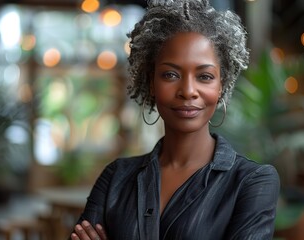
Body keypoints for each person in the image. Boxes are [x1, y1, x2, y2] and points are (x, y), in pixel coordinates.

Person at [70, 0, 280, 239]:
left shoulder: (252, 182)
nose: (188, 90)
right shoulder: (116, 178)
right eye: (170, 74)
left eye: (204, 76)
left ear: (221, 86)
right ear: (151, 83)